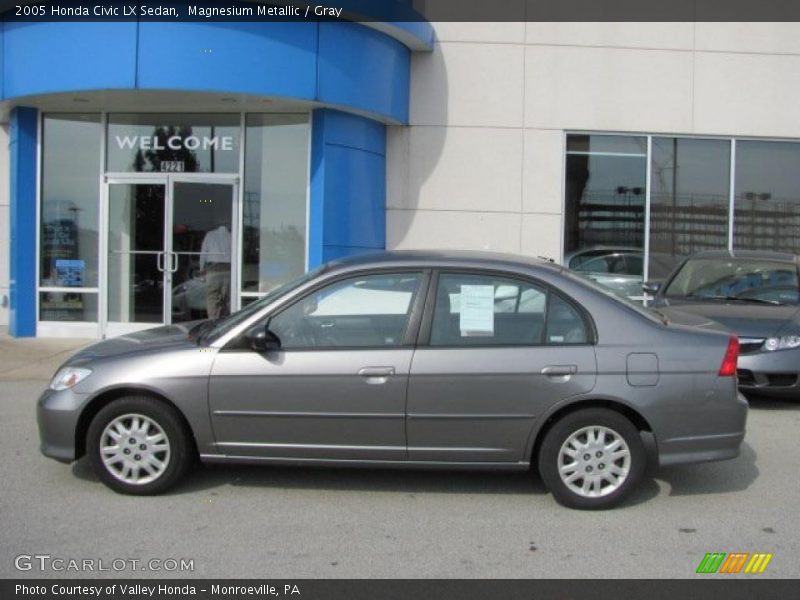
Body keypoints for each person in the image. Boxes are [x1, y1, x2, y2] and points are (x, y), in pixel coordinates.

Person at [199, 222, 231, 319]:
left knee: (212, 297)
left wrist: (201, 269)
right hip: (228, 269)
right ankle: (225, 319)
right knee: (226, 298)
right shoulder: (232, 236)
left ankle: (212, 319)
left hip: (212, 269)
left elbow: (203, 253)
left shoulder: (210, 235)